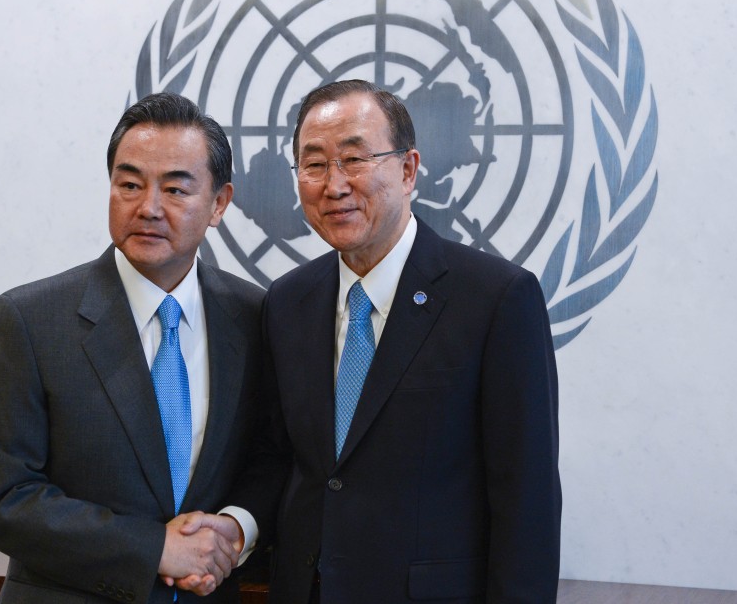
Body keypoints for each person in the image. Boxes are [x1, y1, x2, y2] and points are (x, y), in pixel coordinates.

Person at [224, 79, 562, 602]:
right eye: (313, 165)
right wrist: (232, 527)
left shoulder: (495, 299)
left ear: (408, 171)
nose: (333, 185)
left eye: (355, 160)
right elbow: (281, 458)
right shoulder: (287, 302)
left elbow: (527, 497)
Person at [0, 92, 264, 603]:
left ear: (219, 204)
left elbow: (274, 457)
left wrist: (236, 529)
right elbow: (7, 499)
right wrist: (153, 548)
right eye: (129, 184)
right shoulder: (26, 321)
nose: (147, 207)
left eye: (175, 189)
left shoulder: (255, 317)